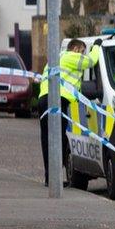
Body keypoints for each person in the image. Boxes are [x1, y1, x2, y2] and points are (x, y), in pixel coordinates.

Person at [39, 38, 102, 187]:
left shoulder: (55, 59)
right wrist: (97, 46)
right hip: (57, 100)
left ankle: (50, 178)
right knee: (58, 140)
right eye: (82, 51)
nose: (82, 54)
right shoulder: (69, 56)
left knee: (47, 140)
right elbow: (91, 61)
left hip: (44, 100)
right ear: (75, 49)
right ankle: (54, 179)